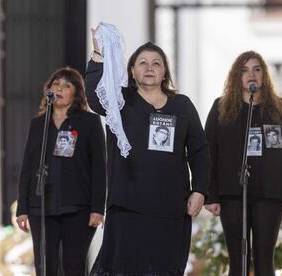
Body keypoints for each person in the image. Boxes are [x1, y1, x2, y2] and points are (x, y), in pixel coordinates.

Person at [86, 25, 210, 275]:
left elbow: (199, 152)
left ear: (165, 72)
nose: (150, 67)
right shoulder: (120, 102)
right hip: (127, 207)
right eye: (142, 62)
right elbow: (94, 98)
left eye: (156, 63)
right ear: (132, 71)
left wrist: (199, 191)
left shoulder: (182, 105)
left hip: (170, 208)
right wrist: (98, 55)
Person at [204, 51, 282, 276]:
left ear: (264, 76)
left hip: (270, 195)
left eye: (257, 69)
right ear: (236, 77)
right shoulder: (221, 108)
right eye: (245, 70)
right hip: (232, 194)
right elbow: (208, 152)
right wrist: (210, 195)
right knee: (237, 261)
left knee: (264, 260)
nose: (251, 75)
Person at [16, 66, 106, 275]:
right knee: (45, 265)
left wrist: (97, 207)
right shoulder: (38, 124)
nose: (60, 88)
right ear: (48, 89)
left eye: (67, 85)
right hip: (41, 206)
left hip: (79, 207)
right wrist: (22, 207)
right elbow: (28, 167)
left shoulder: (89, 122)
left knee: (73, 265)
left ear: (76, 92)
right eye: (56, 84)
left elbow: (100, 167)